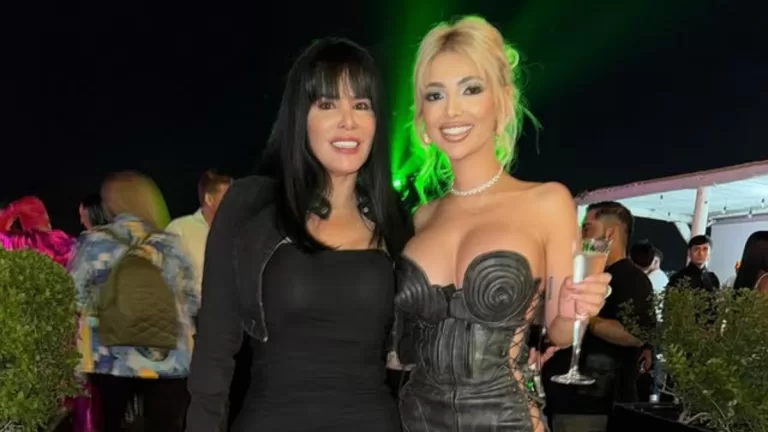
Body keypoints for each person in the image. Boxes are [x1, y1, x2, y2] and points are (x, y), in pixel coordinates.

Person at [390, 16, 610, 432]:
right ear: (423, 117)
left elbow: (560, 332)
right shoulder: (422, 216)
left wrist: (577, 311)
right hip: (416, 420)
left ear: (502, 101)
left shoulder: (547, 201)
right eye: (435, 95)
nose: (452, 110)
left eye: (471, 89)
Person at [186, 38, 412, 432]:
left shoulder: (393, 219)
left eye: (362, 105)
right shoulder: (251, 204)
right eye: (327, 104)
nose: (348, 120)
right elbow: (214, 350)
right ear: (300, 117)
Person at [68, 172, 197, 432]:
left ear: (112, 203)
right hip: (168, 357)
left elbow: (74, 296)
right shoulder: (170, 244)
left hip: (110, 358)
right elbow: (192, 300)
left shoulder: (95, 242)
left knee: (111, 424)